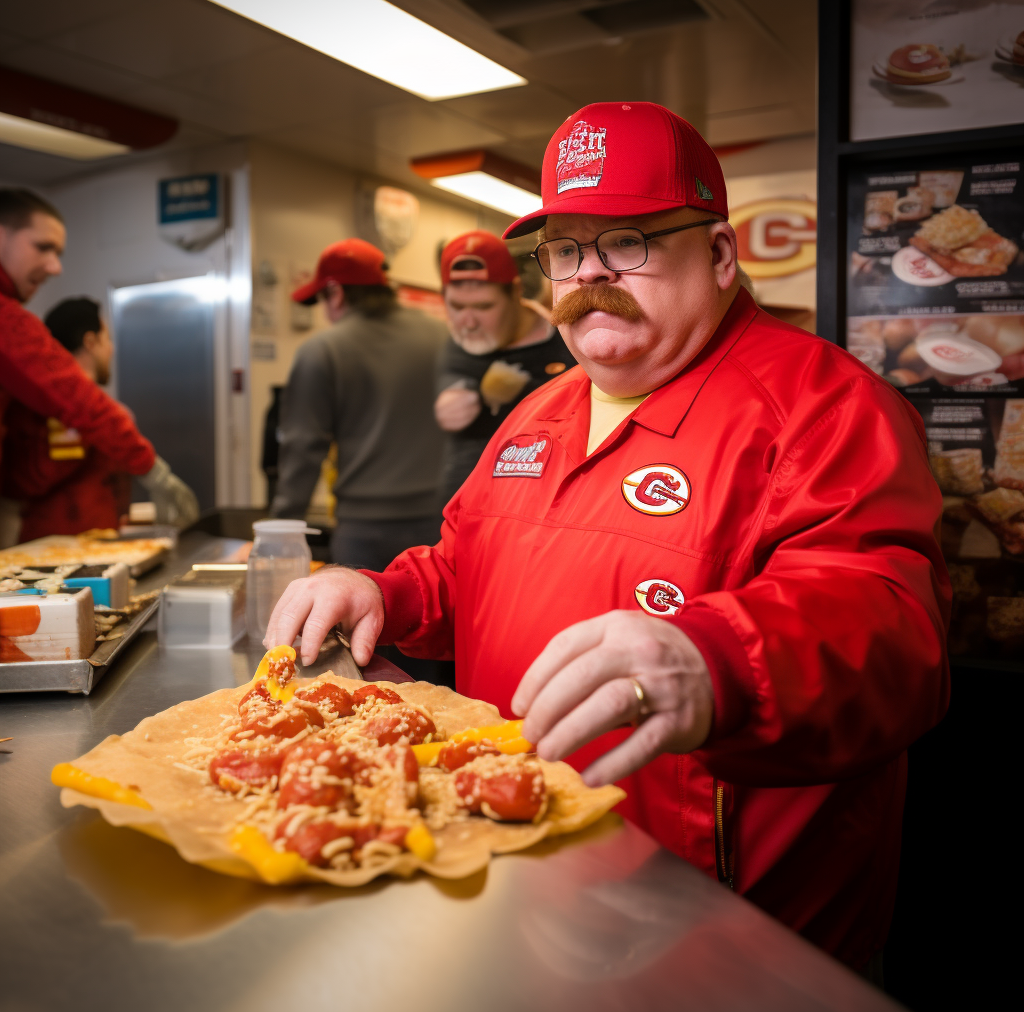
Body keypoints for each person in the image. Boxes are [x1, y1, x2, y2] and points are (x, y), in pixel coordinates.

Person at [264, 103, 950, 972]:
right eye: (565, 250)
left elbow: (893, 628)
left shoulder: (827, 405)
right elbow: (467, 569)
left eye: (629, 241)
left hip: (719, 926)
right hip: (517, 871)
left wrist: (720, 660)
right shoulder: (538, 412)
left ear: (721, 254)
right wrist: (387, 594)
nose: (590, 274)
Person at [0, 188, 199, 536]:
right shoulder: (7, 319)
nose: (55, 267)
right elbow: (79, 401)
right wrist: (153, 470)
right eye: (42, 247)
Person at [270, 238, 448, 572]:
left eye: (323, 300)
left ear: (336, 292)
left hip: (366, 533)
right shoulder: (442, 335)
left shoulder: (322, 350)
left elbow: (303, 449)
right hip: (440, 527)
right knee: (438, 620)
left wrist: (279, 533)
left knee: (361, 623)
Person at [434, 231, 577, 504]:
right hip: (462, 513)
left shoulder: (569, 343)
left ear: (515, 291)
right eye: (457, 306)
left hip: (544, 508)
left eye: (484, 306)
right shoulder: (451, 348)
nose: (469, 322)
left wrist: (524, 391)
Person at [3, 298, 129, 539]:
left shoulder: (93, 411)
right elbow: (41, 476)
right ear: (90, 342)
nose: (111, 349)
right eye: (107, 339)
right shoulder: (61, 410)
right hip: (58, 551)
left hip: (93, 541)